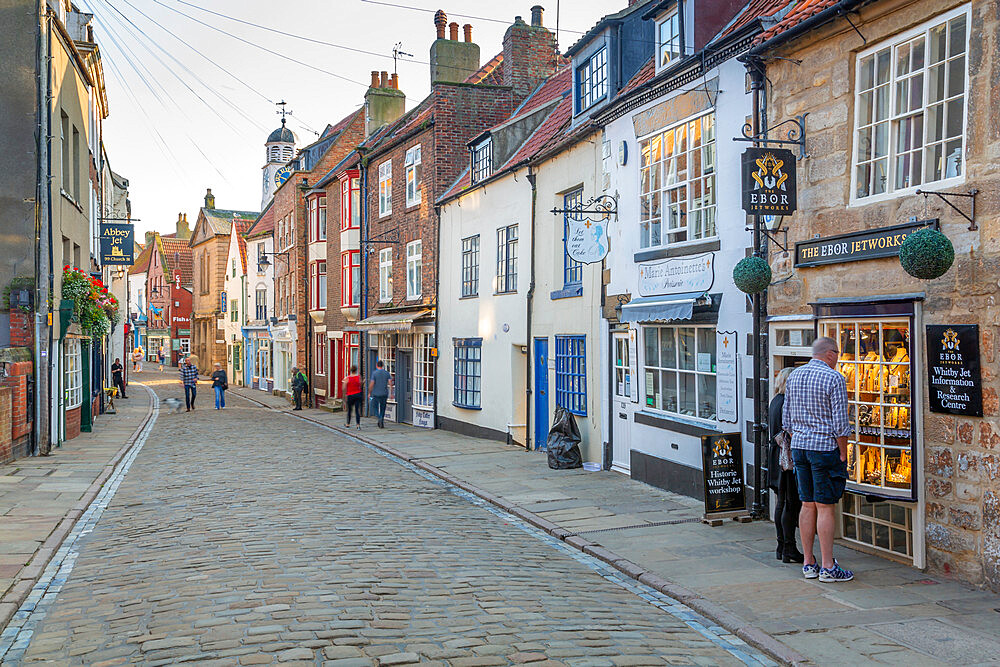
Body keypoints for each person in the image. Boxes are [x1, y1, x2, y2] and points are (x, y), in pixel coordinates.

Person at [783, 337, 854, 583]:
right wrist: (843, 453)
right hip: (824, 448)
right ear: (830, 354)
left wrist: (800, 439)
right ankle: (827, 566)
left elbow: (787, 420)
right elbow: (840, 425)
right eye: (838, 354)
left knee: (807, 503)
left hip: (800, 447)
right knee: (825, 506)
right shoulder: (834, 378)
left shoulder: (794, 376)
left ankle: (808, 562)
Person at [768, 367, 802, 563]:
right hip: (785, 459)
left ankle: (781, 546)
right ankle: (789, 547)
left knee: (781, 502)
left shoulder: (775, 401)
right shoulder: (785, 404)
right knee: (790, 503)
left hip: (776, 457)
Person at [369, 360, 392, 428]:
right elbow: (390, 383)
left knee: (374, 407)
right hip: (384, 393)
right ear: (382, 366)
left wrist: (369, 392)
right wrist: (391, 393)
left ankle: (379, 418)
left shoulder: (374, 373)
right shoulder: (387, 373)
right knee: (383, 408)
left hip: (376, 393)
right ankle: (381, 418)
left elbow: (372, 383)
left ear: (377, 365)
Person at [343, 365, 363, 429]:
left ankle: (348, 424)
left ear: (350, 371)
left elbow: (343, 387)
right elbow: (361, 384)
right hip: (358, 395)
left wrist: (345, 394)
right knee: (357, 410)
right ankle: (358, 425)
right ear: (356, 370)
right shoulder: (358, 377)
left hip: (350, 395)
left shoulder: (347, 378)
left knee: (349, 410)